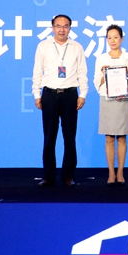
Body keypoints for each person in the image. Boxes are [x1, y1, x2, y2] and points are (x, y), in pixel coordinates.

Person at [32, 14, 89, 187]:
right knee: (49, 137)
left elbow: (82, 72)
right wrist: (37, 94)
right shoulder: (43, 46)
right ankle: (48, 176)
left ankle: (68, 176)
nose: (62, 29)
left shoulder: (76, 47)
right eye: (58, 26)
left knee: (69, 137)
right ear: (52, 28)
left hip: (70, 95)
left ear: (70, 28)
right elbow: (37, 72)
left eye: (65, 26)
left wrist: (83, 94)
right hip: (49, 94)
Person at [93, 24, 128, 185]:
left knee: (121, 137)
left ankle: (120, 172)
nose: (112, 41)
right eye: (109, 38)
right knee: (108, 138)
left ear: (122, 38)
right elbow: (96, 81)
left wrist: (126, 90)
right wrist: (103, 74)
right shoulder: (101, 58)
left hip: (123, 100)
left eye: (116, 37)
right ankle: (111, 173)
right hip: (107, 100)